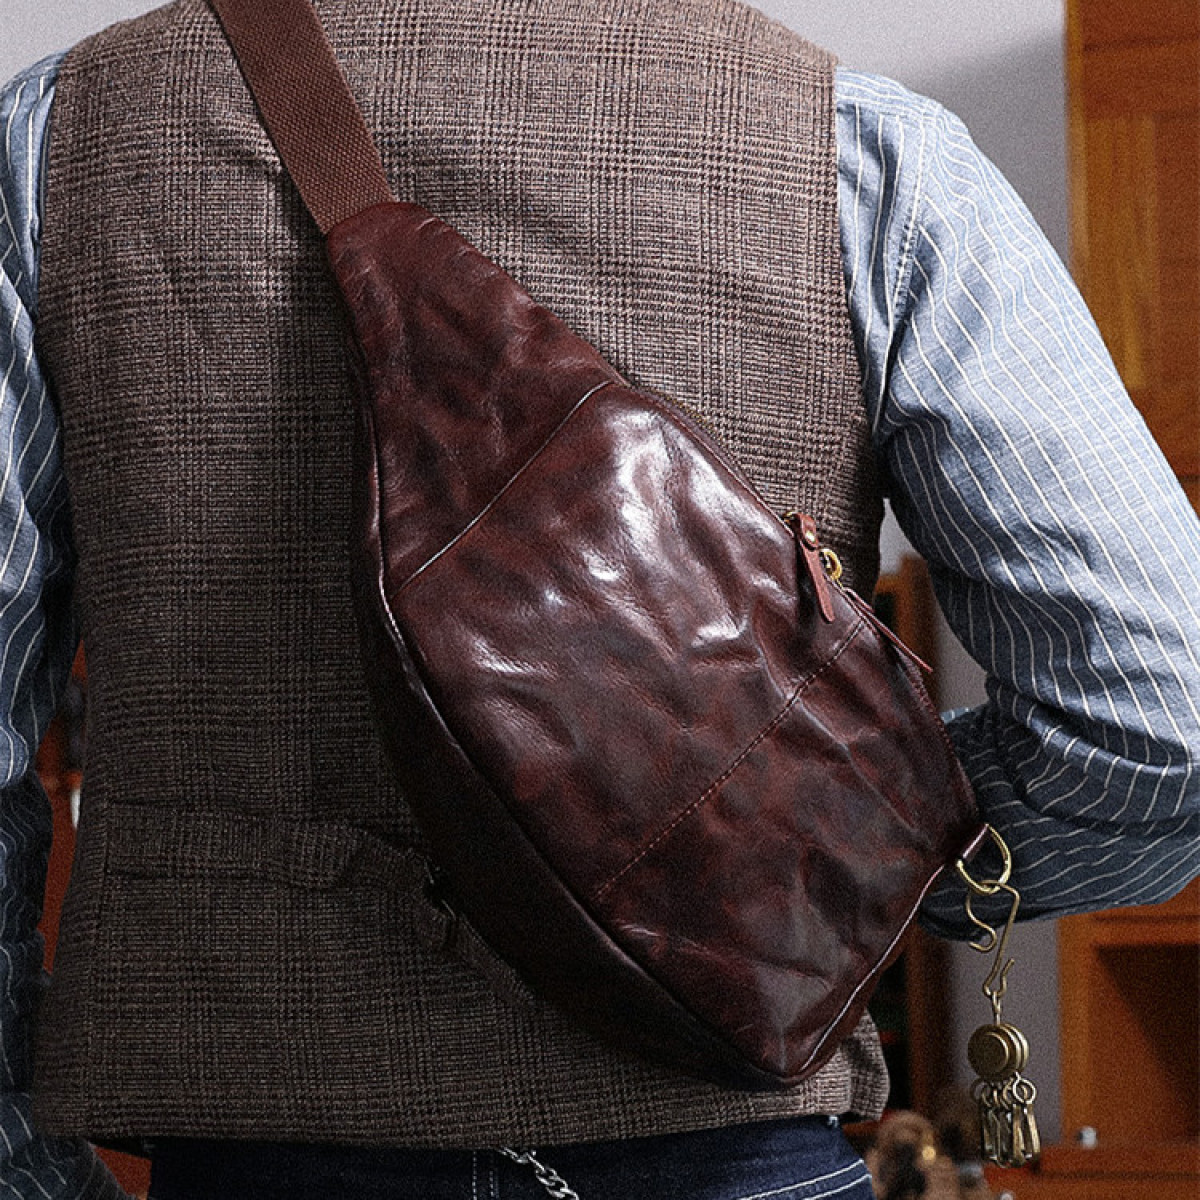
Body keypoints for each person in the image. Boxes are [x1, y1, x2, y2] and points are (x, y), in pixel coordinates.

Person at [2, 0, 1198, 1197]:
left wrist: (32, 1172)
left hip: (253, 1150)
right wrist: (820, 875)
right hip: (737, 1150)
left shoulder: (65, 139)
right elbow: (1158, 726)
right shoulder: (860, 150)